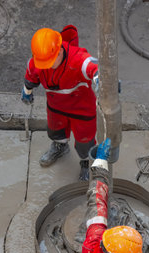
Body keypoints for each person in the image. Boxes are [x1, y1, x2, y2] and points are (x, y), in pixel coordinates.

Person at [21, 25, 98, 181]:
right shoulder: (39, 60)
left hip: (82, 109)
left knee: (85, 140)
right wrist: (27, 92)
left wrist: (100, 78)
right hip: (56, 107)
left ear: (60, 51)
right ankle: (60, 146)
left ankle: (86, 162)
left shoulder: (78, 59)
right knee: (56, 131)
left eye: (50, 61)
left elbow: (93, 66)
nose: (46, 66)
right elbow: (31, 77)